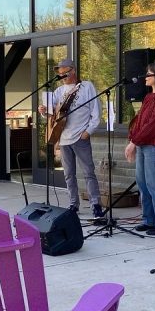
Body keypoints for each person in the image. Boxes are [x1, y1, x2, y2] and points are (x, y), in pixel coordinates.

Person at [38, 59, 104, 220]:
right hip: (64, 138)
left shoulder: (87, 86)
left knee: (88, 172)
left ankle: (96, 204)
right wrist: (43, 111)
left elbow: (96, 112)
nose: (62, 76)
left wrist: (88, 131)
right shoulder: (58, 91)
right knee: (69, 174)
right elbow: (51, 115)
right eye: (60, 74)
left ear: (73, 71)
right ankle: (73, 204)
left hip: (81, 137)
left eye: (65, 73)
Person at [125, 61, 155, 236]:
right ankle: (149, 220)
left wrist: (134, 143)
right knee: (143, 183)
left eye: (149, 73)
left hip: (154, 145)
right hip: (142, 144)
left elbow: (153, 125)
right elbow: (140, 123)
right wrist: (133, 140)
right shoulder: (148, 97)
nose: (146, 76)